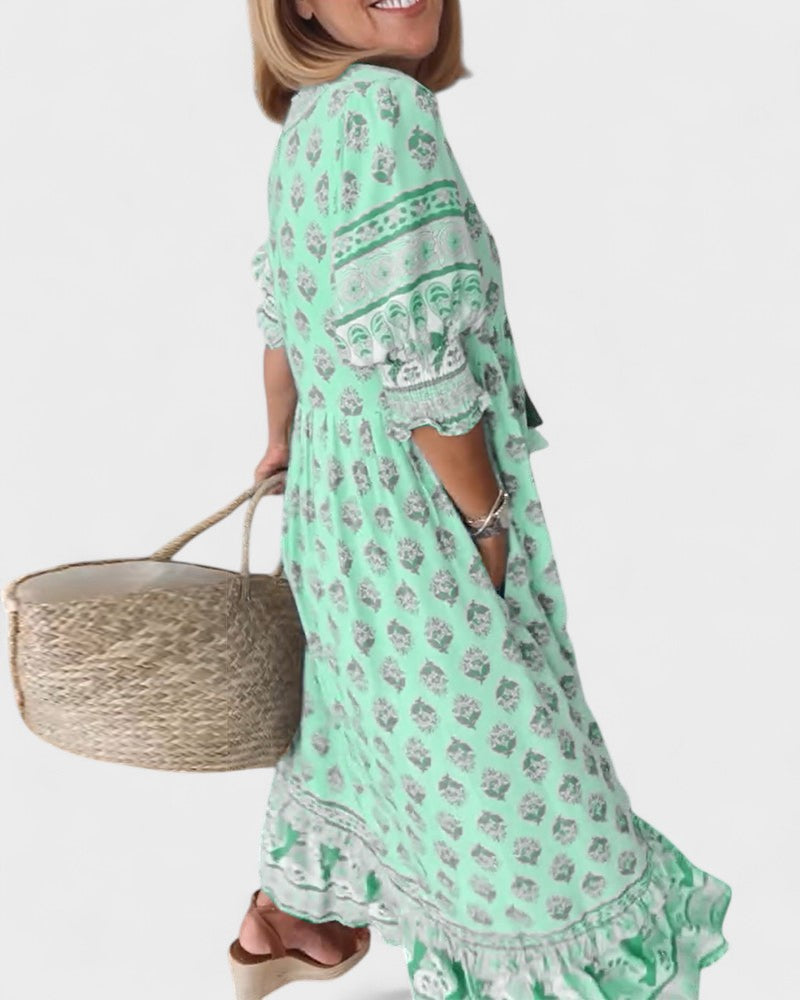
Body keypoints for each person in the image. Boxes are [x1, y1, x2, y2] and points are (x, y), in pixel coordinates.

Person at [229, 1, 732, 997]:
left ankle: (294, 921)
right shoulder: (385, 112)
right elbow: (417, 355)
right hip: (415, 514)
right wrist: (485, 516)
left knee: (378, 733)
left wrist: (284, 444)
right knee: (528, 800)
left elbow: (282, 319)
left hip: (333, 511)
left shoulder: (313, 120)